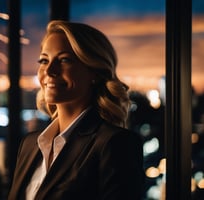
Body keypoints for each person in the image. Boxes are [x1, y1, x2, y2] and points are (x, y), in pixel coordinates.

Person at [8, 20, 144, 200]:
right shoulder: (30, 144)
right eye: (44, 60)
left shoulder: (115, 144)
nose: (49, 70)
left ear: (95, 71)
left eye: (64, 60)